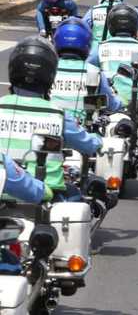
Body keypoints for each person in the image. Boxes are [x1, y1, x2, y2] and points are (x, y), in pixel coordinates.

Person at [1, 37, 102, 200]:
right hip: (46, 195)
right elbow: (87, 145)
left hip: (3, 192)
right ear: (50, 75)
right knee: (81, 199)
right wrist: (98, 140)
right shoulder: (58, 114)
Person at [88, 5, 138, 106]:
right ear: (134, 25)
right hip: (136, 101)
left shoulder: (101, 48)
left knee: (89, 110)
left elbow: (87, 68)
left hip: (107, 101)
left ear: (111, 25)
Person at [51, 18, 122, 124]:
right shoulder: (95, 72)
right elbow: (111, 105)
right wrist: (122, 102)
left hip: (51, 130)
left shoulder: (48, 69)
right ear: (87, 43)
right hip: (84, 130)